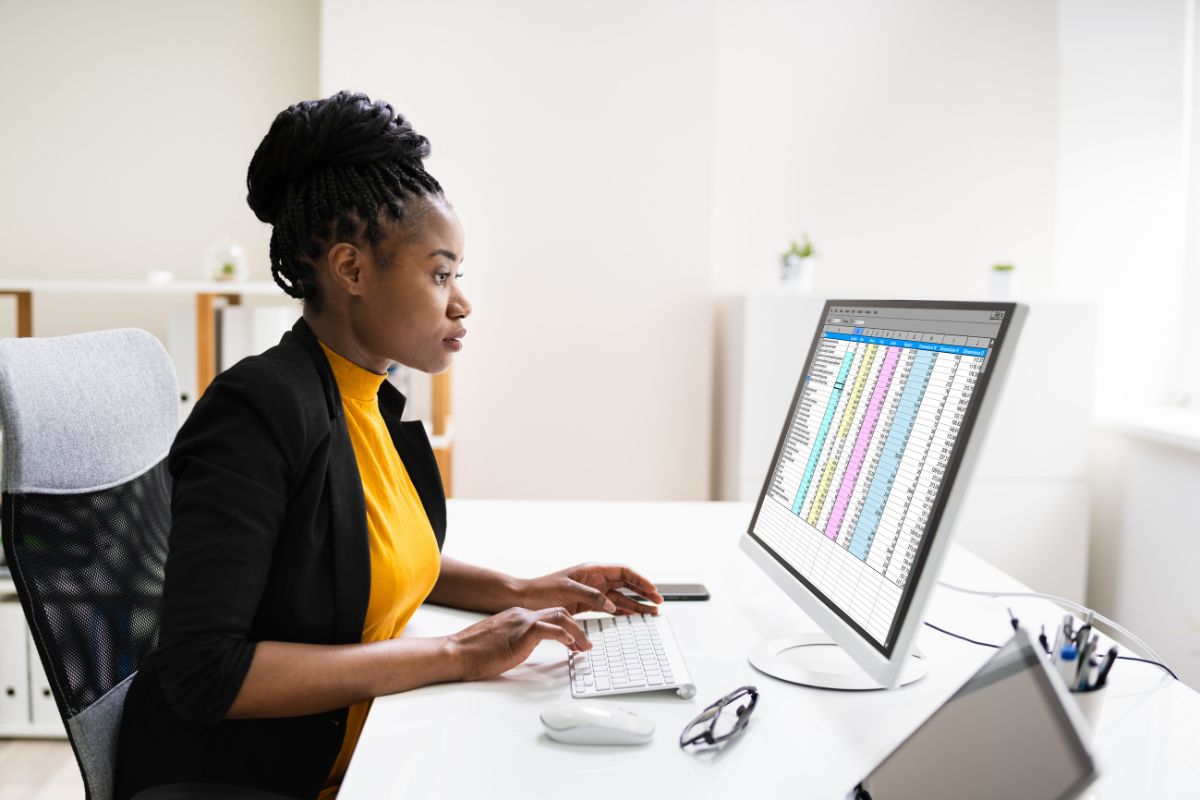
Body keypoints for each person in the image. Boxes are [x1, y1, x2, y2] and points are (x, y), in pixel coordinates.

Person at [115, 91, 664, 800]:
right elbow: (203, 672)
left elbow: (365, 563)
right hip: (240, 779)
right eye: (441, 274)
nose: (461, 302)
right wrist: (454, 655)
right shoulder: (258, 411)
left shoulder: (371, 401)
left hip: (368, 752)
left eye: (457, 275)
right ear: (351, 270)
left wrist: (525, 589)